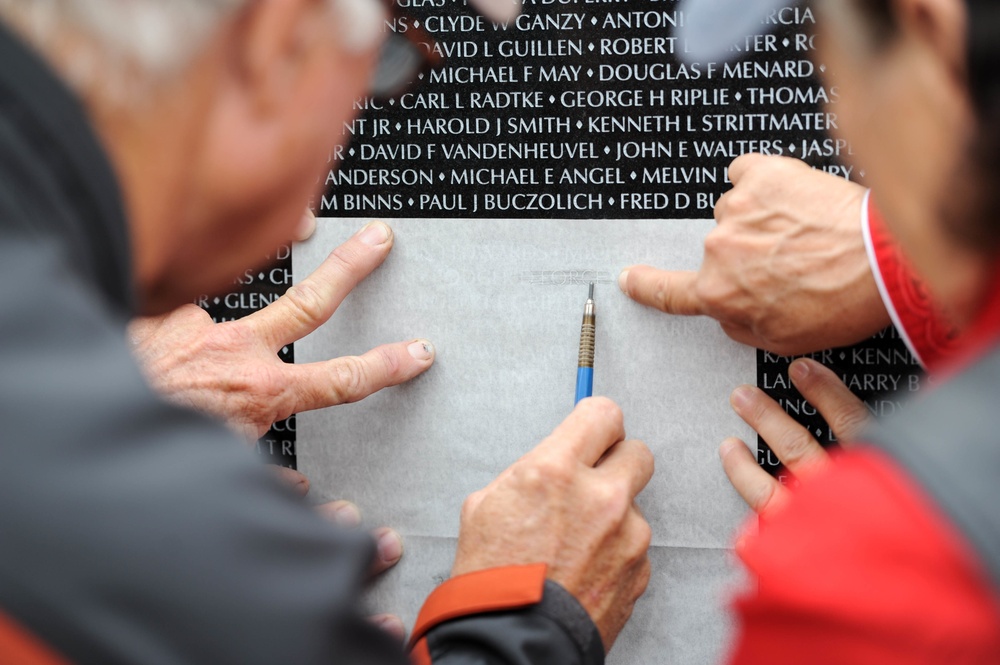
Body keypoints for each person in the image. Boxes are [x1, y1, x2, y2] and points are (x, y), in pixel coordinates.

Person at [0, 1, 655, 663]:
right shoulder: (152, 544)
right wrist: (524, 623)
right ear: (279, 40)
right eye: (382, 63)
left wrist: (114, 402)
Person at [623, 0, 1000, 661]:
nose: (835, 115)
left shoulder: (869, 588)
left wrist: (870, 556)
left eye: (823, 66)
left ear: (929, 29)